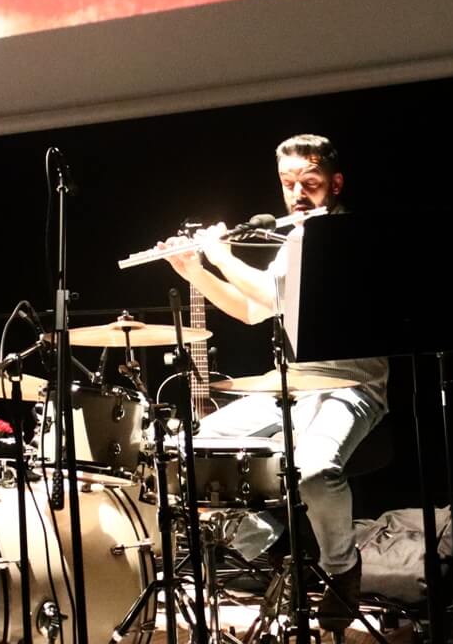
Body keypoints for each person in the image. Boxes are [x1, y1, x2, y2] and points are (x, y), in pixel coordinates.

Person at [166, 134, 387, 632]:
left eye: (310, 182)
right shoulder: (295, 238)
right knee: (193, 448)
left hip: (350, 386)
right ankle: (261, 535)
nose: (298, 194)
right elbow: (252, 310)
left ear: (335, 183)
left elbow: (269, 293)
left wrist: (221, 256)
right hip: (293, 387)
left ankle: (341, 569)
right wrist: (193, 269)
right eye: (288, 184)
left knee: (314, 470)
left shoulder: (339, 235)